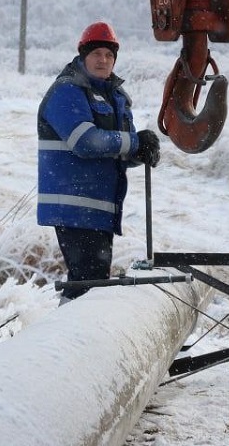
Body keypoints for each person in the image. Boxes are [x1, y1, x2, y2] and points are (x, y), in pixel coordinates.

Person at [37, 21, 161, 302]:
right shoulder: (67, 91)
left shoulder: (115, 97)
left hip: (100, 209)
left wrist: (139, 153)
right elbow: (86, 142)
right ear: (83, 56)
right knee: (88, 285)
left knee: (89, 285)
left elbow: (116, 149)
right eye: (97, 54)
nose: (103, 60)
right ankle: (68, 340)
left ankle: (67, 338)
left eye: (109, 54)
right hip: (74, 207)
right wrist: (134, 142)